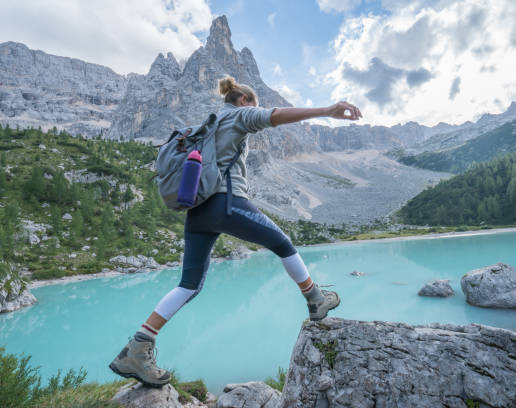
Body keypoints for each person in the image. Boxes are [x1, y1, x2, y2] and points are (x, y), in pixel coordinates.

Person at [109, 76, 363, 387]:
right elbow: (274, 116)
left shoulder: (209, 124)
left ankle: (136, 349)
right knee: (283, 243)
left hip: (197, 213)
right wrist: (328, 110)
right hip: (225, 203)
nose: (256, 109)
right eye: (254, 104)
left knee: (188, 285)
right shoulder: (239, 114)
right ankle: (316, 299)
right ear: (244, 100)